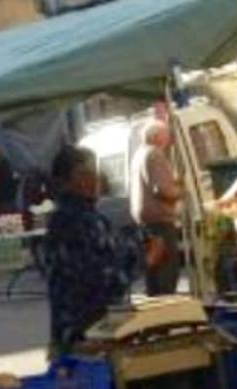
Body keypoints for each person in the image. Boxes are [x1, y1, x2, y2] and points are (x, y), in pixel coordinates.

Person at [42, 145, 137, 356]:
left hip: (72, 334)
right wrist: (141, 258)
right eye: (84, 174)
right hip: (88, 336)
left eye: (95, 172)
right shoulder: (79, 221)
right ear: (65, 182)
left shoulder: (71, 218)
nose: (94, 180)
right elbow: (105, 281)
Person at [131, 120, 183, 295]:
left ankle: (157, 310)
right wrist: (181, 192)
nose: (169, 138)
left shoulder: (139, 154)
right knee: (166, 274)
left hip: (146, 223)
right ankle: (166, 314)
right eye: (166, 134)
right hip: (160, 222)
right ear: (157, 137)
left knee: (153, 274)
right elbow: (161, 189)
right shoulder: (154, 154)